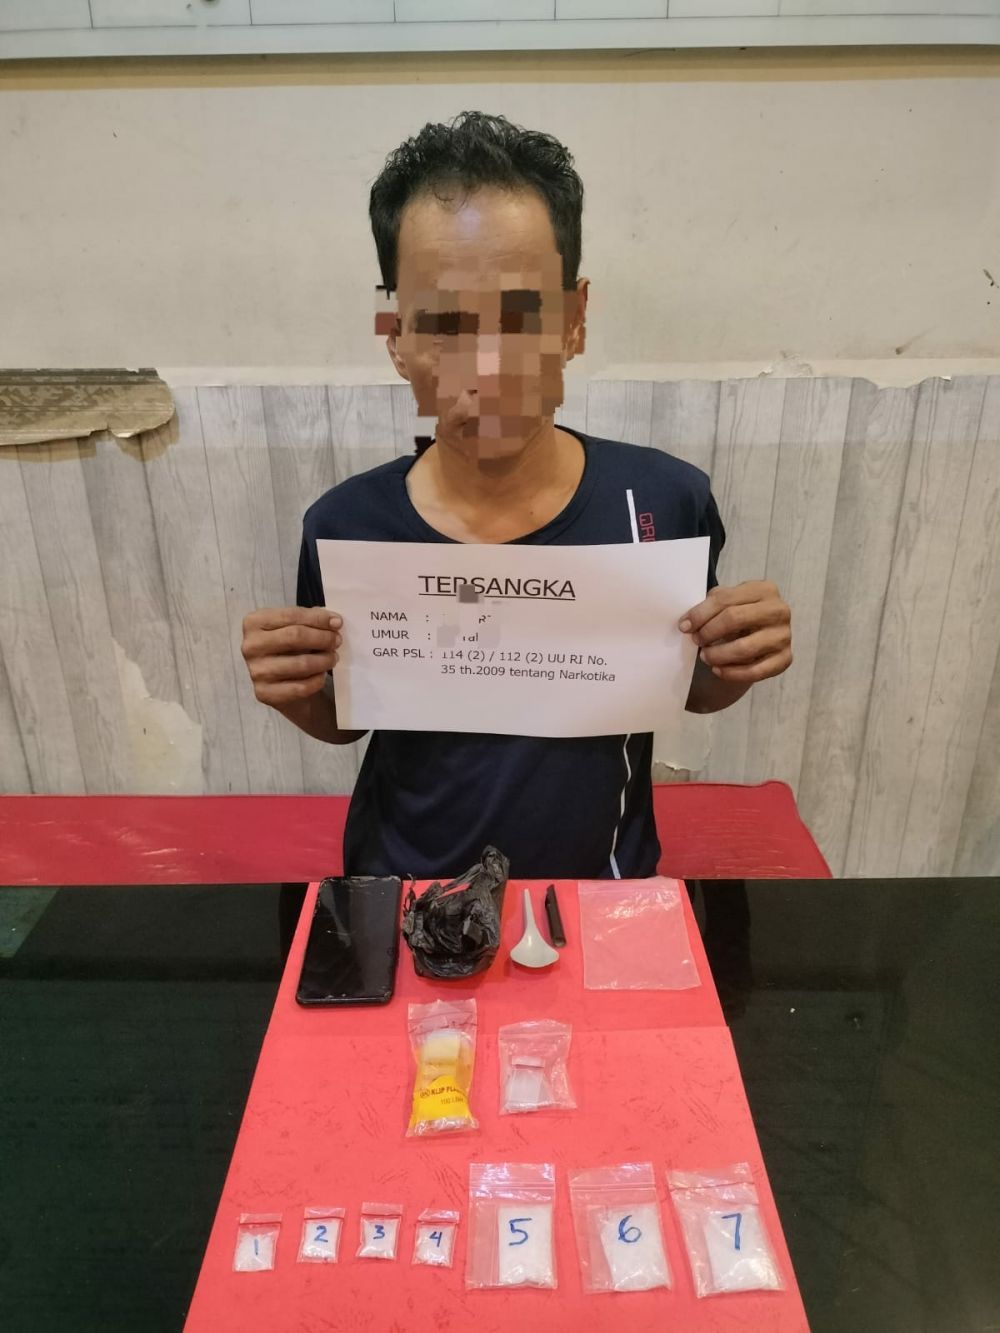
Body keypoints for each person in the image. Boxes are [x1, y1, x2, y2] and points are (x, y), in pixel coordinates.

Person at [241, 111, 792, 881]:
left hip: (600, 890)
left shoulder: (663, 500)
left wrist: (735, 661)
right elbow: (349, 713)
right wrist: (293, 691)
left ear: (575, 321)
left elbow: (683, 686)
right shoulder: (346, 525)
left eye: (522, 315)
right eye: (443, 323)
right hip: (403, 887)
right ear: (396, 336)